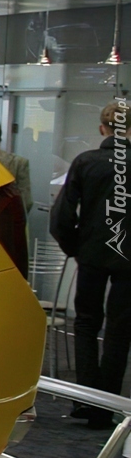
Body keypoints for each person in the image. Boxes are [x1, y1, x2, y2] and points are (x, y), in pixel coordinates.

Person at [52, 99, 131, 426]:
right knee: (119, 330)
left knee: (85, 323)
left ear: (102, 128)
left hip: (92, 254)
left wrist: (75, 247)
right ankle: (106, 404)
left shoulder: (85, 162)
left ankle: (86, 399)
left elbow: (62, 216)